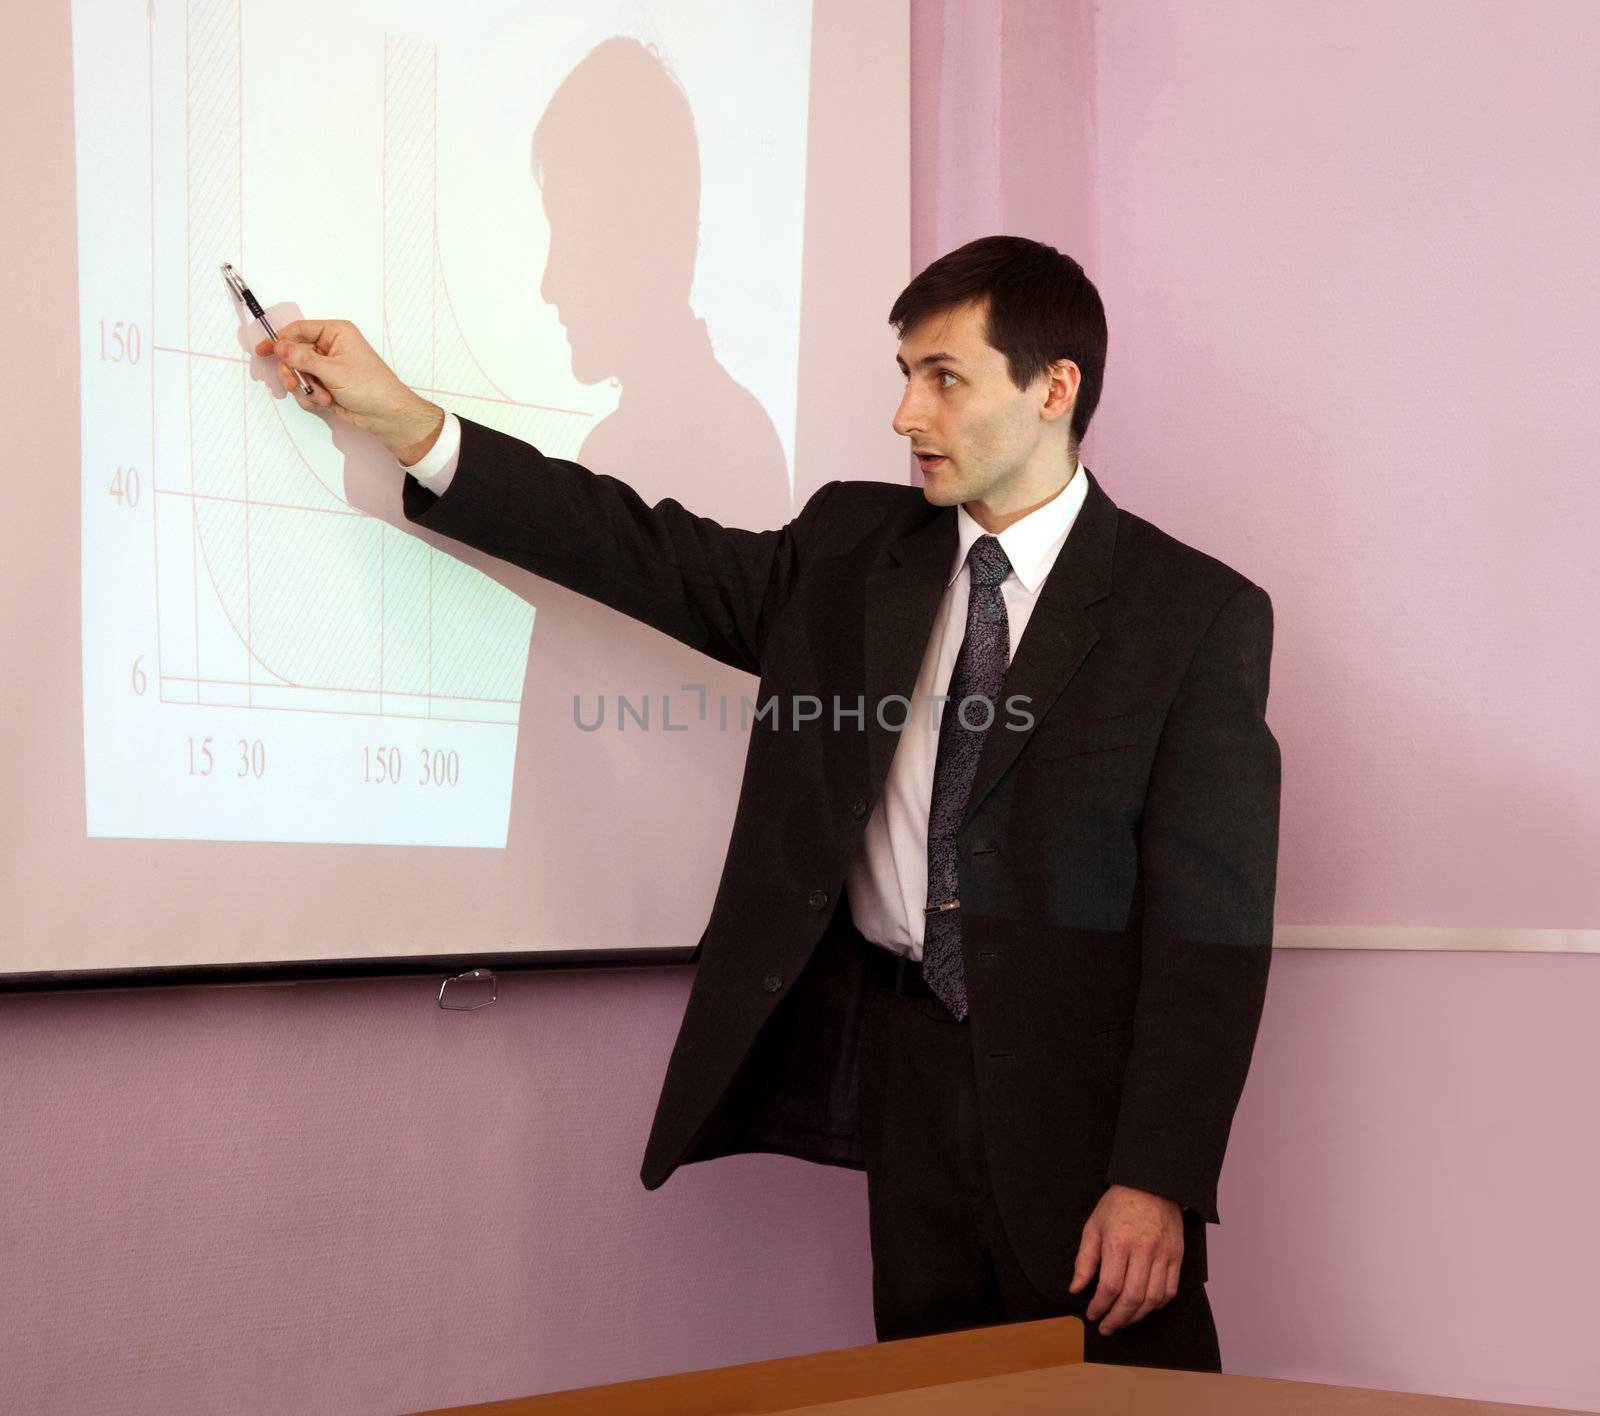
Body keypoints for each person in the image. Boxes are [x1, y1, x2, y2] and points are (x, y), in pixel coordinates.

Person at [260, 236, 1280, 1373]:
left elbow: (1211, 939)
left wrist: (1158, 1176)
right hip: (904, 1067)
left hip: (1089, 1125)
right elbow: (642, 552)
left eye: (942, 376)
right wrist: (409, 425)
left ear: (1053, 388)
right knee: (936, 1395)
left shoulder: (1191, 616)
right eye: (904, 373)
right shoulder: (853, 548)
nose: (905, 414)